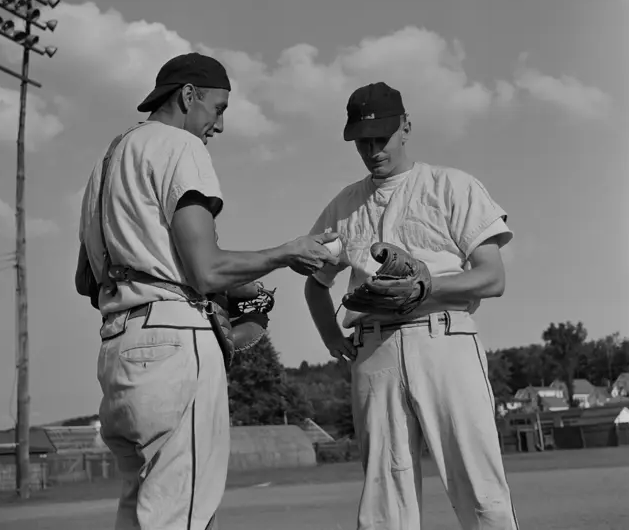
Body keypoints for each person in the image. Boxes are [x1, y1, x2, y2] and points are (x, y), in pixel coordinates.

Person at [74, 52, 339, 530]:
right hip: (172, 343)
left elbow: (86, 282)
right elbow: (207, 271)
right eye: (217, 110)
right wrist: (286, 253)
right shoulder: (179, 146)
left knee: (141, 512)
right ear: (187, 96)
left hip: (117, 346)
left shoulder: (108, 160)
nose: (218, 125)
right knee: (182, 516)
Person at [304, 82, 519, 530]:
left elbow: (492, 276)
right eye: (362, 141)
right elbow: (315, 283)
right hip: (373, 347)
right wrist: (331, 336)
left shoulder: (450, 185)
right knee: (384, 504)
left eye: (381, 137)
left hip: (443, 335)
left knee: (479, 490)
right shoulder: (344, 205)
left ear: (405, 127)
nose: (372, 149)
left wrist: (427, 288)